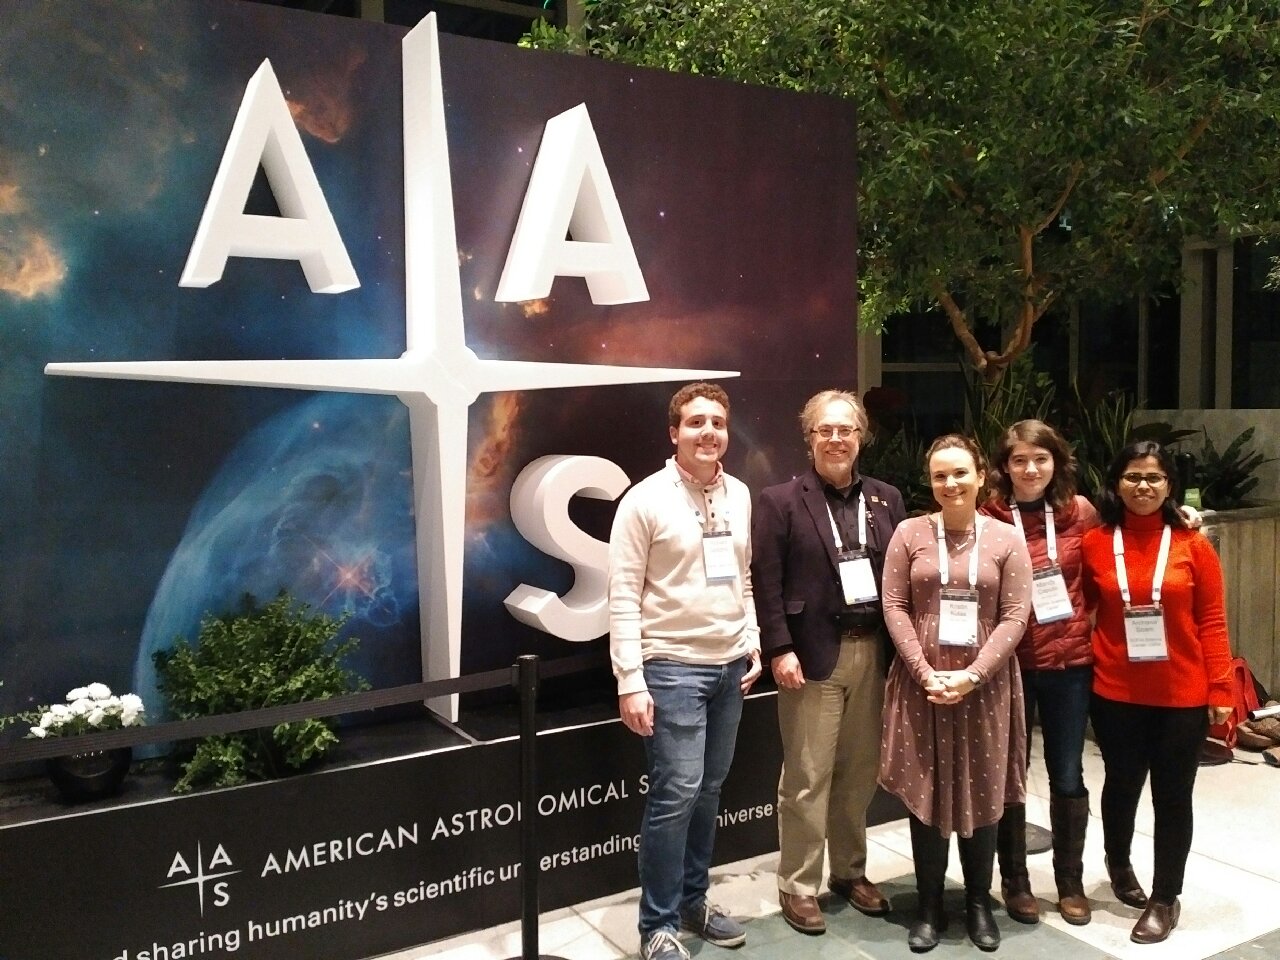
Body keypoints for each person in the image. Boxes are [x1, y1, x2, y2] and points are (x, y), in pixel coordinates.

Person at [608, 381, 764, 960]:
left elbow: (743, 578)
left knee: (709, 791)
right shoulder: (644, 500)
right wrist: (630, 678)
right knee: (675, 796)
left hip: (729, 669)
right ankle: (658, 926)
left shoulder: (740, 495)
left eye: (718, 422)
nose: (709, 432)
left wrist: (751, 639)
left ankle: (695, 902)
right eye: (696, 422)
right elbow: (622, 594)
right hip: (670, 668)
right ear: (674, 433)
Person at [751, 389, 906, 935]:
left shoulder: (887, 499)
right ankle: (797, 883)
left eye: (847, 429)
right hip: (811, 655)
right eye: (825, 430)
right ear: (809, 438)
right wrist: (778, 649)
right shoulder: (780, 501)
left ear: (861, 436)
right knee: (807, 775)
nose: (837, 439)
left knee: (860, 772)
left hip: (874, 653)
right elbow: (765, 584)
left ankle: (850, 872)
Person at [879, 434, 1032, 953]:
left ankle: (978, 904)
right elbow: (894, 605)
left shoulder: (1007, 538)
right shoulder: (908, 533)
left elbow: (1015, 616)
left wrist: (973, 675)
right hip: (920, 683)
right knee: (926, 789)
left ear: (981, 476)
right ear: (931, 480)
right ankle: (927, 905)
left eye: (960, 473)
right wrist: (923, 671)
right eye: (940, 475)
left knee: (983, 789)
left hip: (984, 687)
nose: (950, 483)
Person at [1081, 441, 1233, 945]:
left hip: (1181, 695)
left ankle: (1165, 897)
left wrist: (1221, 688)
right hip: (1115, 690)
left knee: (1173, 796)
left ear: (1169, 485)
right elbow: (1082, 608)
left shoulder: (1195, 546)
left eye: (1153, 477)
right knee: (1121, 785)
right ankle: (1119, 864)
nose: (1142, 486)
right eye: (1132, 476)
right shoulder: (1097, 542)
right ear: (1115, 482)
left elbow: (1211, 621)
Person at [979, 421, 1099, 926]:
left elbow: (1113, 559)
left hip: (1069, 663)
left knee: (1068, 772)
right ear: (1005, 467)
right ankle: (1015, 881)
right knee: (1010, 775)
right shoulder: (988, 515)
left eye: (1041, 459)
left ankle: (1069, 881)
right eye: (1020, 461)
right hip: (1009, 664)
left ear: (1057, 462)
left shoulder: (1081, 512)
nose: (1031, 470)